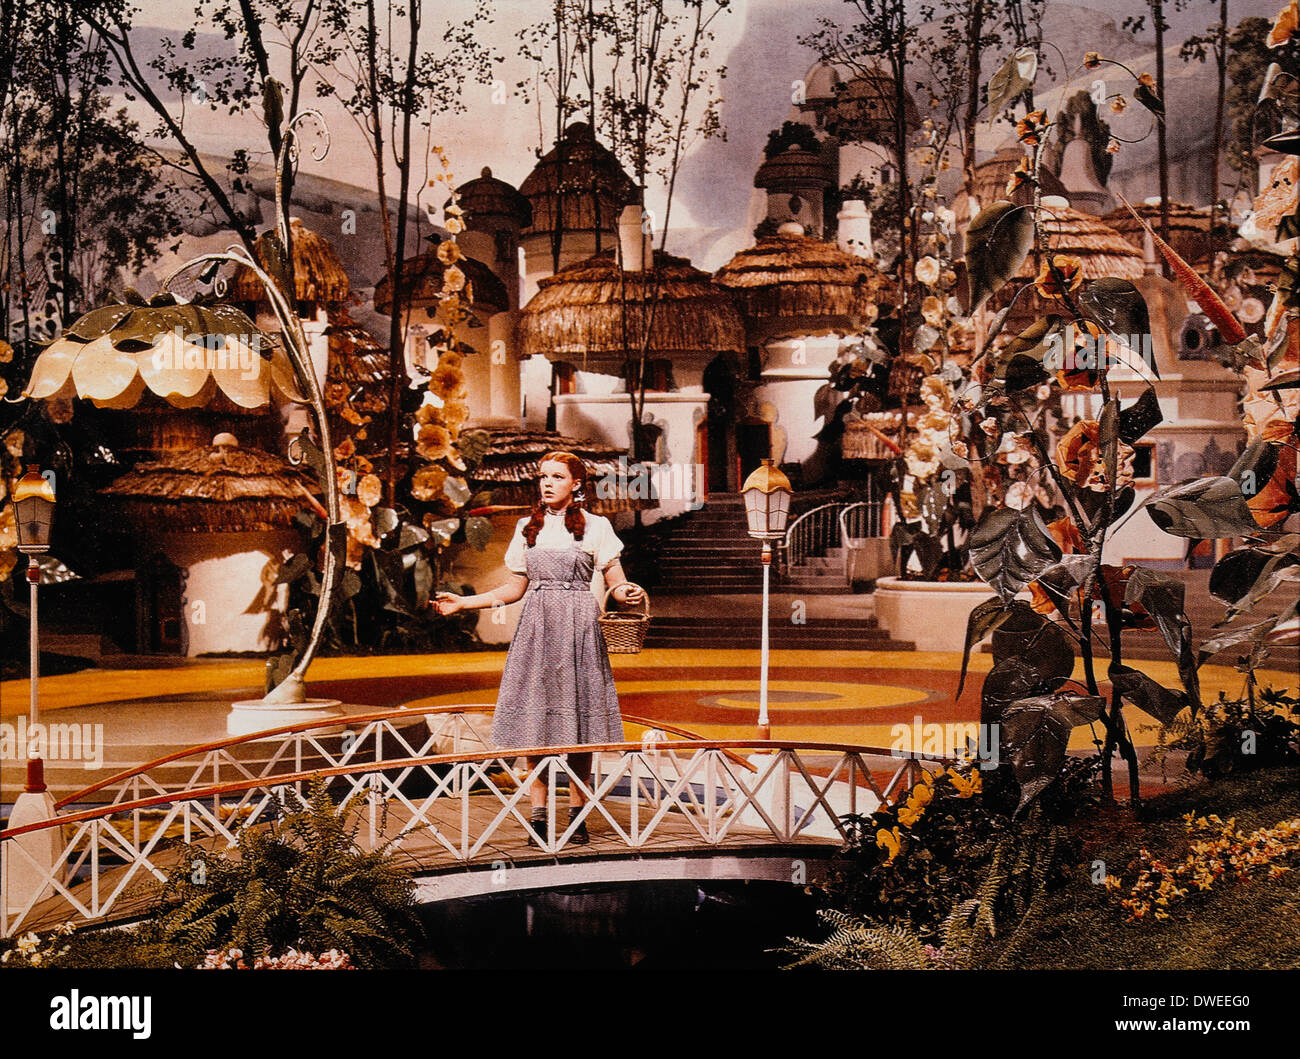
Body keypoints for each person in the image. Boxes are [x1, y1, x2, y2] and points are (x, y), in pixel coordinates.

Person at [431, 451, 644, 847]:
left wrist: (624, 592)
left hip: (580, 627)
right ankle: (539, 815)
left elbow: (616, 579)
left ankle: (578, 816)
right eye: (543, 477)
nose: (547, 483)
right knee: (535, 722)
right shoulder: (527, 526)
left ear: (576, 484)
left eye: (557, 477)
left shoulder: (597, 527)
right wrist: (465, 603)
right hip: (537, 628)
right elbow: (514, 589)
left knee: (580, 726)